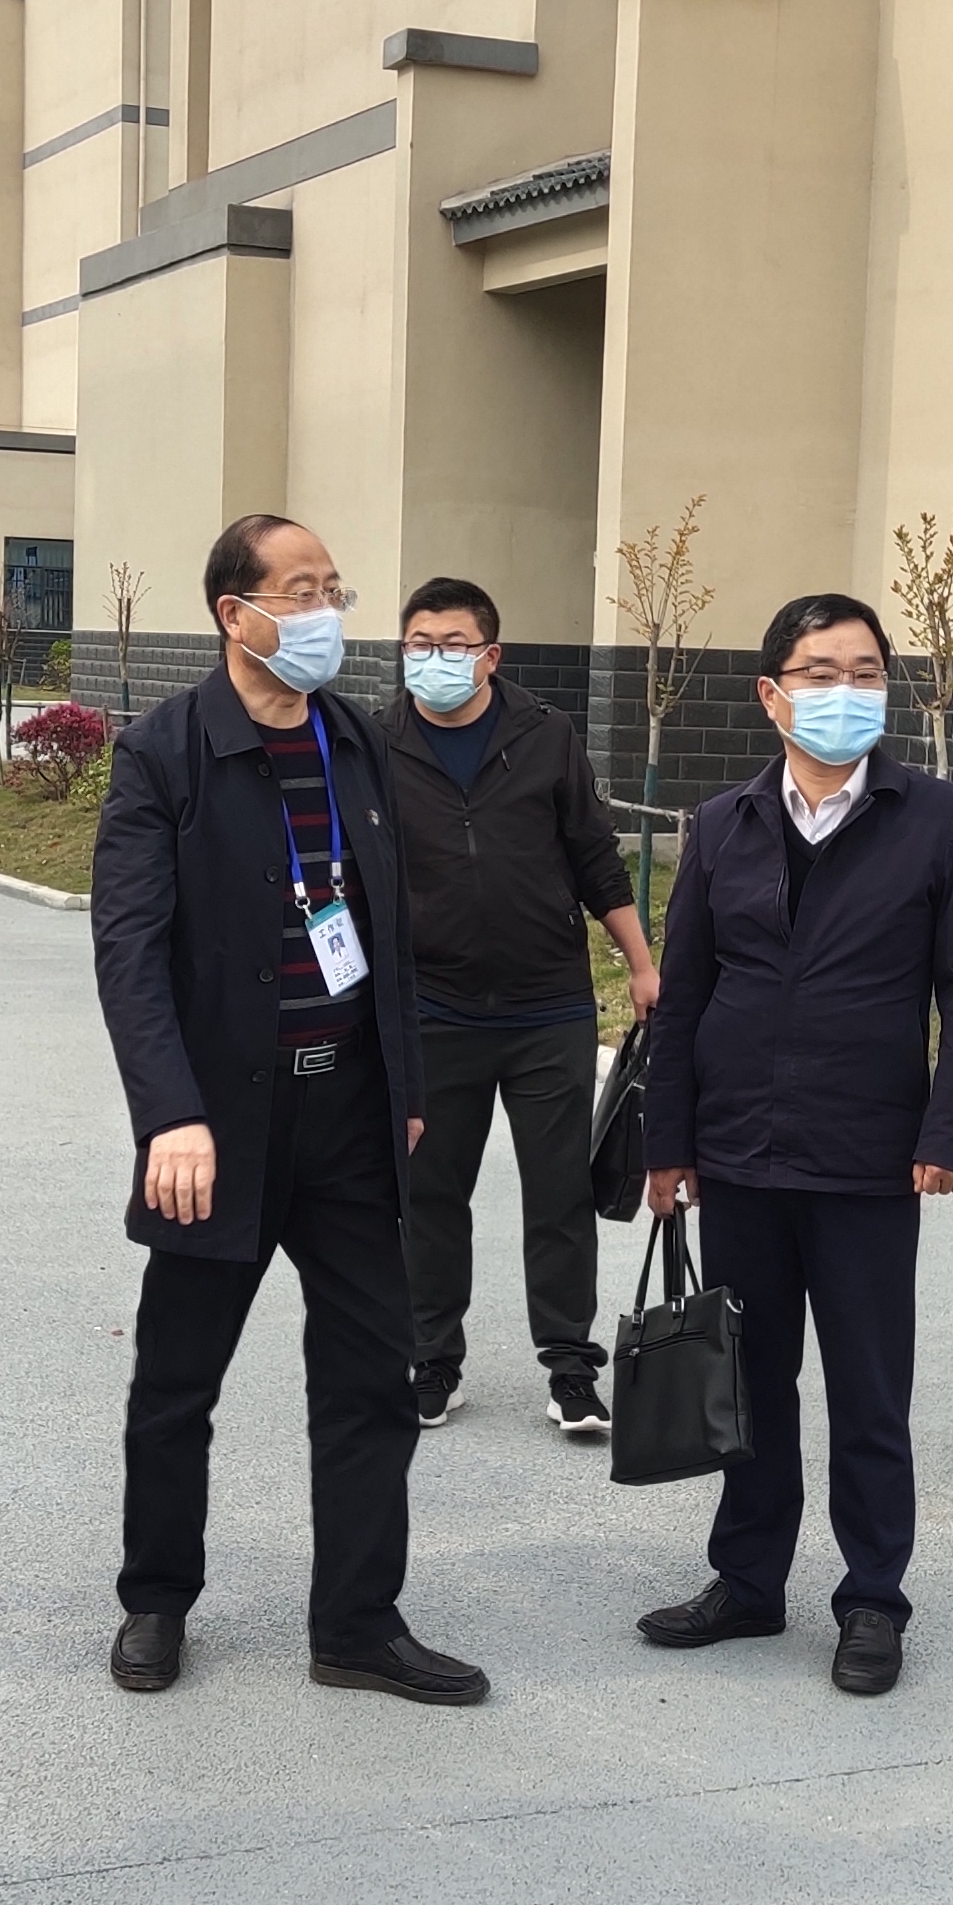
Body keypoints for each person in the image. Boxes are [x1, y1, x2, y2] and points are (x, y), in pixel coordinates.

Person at [88, 514, 490, 1707]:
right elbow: (129, 948)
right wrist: (169, 1115)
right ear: (235, 613)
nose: (325, 612)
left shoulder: (352, 737)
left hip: (351, 1117)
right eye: (300, 590)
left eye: (332, 588)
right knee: (178, 1381)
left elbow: (385, 926)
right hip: (217, 1127)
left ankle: (357, 1624)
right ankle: (157, 1599)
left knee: (371, 1376)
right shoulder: (164, 752)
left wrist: (403, 1088)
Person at [632, 593, 953, 1697]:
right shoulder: (722, 823)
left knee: (868, 1387)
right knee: (750, 1379)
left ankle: (872, 1597)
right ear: (772, 693)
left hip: (868, 1152)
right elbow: (683, 994)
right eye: (819, 672)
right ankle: (748, 1581)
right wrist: (668, 1145)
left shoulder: (939, 819)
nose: (845, 691)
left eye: (865, 671)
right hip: (740, 1148)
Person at [378, 577, 660, 1440]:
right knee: (430, 1196)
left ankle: (572, 1372)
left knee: (560, 1197)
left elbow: (594, 857)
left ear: (490, 655)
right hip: (433, 1011)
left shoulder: (546, 736)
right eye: (419, 644)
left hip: (547, 1012)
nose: (435, 659)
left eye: (453, 645)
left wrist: (642, 965)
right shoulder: (376, 742)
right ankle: (432, 1363)